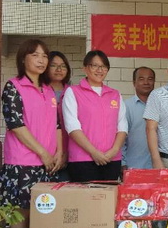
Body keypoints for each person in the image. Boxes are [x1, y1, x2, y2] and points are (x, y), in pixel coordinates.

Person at [0, 38, 62, 228]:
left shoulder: (49, 90)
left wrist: (59, 152)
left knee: (42, 213)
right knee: (20, 214)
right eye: (35, 55)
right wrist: (43, 152)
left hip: (48, 164)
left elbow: (57, 124)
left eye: (44, 56)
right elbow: (15, 124)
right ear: (23, 58)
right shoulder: (13, 87)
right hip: (22, 162)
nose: (41, 60)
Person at [62, 50, 127, 182]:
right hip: (83, 160)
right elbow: (72, 127)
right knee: (84, 195)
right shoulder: (73, 92)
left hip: (111, 159)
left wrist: (114, 151)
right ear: (85, 68)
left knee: (108, 195)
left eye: (103, 66)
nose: (99, 70)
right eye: (95, 66)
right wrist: (94, 152)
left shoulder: (115, 94)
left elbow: (122, 126)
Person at [122, 66, 156, 170]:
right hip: (134, 167)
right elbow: (121, 139)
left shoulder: (160, 105)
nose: (146, 82)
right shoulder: (126, 107)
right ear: (134, 82)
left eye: (150, 79)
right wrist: (122, 164)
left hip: (158, 167)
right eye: (141, 79)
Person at [47, 50, 72, 180]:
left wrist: (66, 152)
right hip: (44, 151)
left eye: (63, 66)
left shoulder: (73, 92)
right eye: (53, 65)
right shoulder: (40, 90)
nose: (59, 69)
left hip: (69, 150)